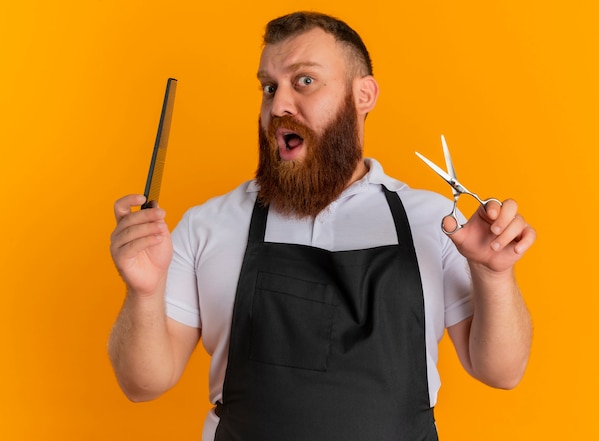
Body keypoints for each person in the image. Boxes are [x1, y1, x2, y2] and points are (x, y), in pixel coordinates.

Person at [108, 11, 536, 441]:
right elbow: (142, 384)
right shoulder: (209, 225)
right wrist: (142, 293)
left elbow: (501, 371)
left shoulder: (434, 221)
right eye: (269, 87)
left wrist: (493, 274)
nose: (278, 106)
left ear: (363, 94)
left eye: (304, 81)